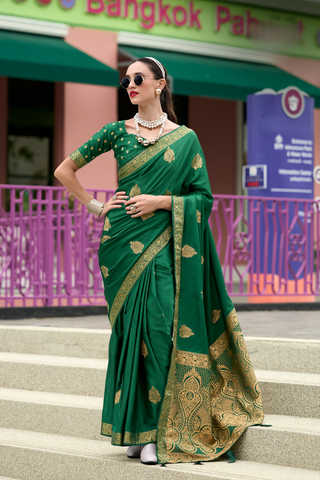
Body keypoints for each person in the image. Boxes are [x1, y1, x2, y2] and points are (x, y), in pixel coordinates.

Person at [54, 56, 264, 466]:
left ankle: (155, 433)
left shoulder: (185, 139)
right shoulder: (117, 132)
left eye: (137, 78)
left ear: (159, 84)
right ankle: (136, 433)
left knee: (157, 331)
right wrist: (97, 208)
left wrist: (162, 201)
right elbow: (66, 170)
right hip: (120, 247)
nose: (129, 84)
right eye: (125, 80)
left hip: (164, 247)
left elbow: (203, 198)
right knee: (129, 338)